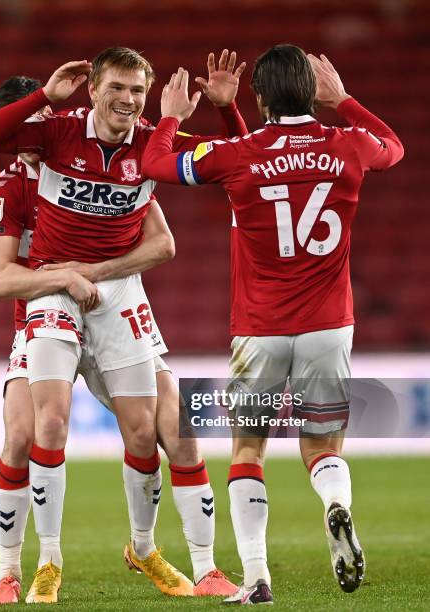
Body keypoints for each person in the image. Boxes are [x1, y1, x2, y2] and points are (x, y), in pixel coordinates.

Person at [0, 50, 247, 602]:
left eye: (137, 91)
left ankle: (157, 552)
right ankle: (30, 566)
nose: (127, 99)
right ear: (92, 89)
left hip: (113, 292)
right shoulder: (38, 151)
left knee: (158, 430)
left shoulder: (149, 145)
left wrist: (225, 109)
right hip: (48, 293)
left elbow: (236, 163)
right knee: (36, 430)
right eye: (117, 87)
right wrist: (46, 99)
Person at [141, 46, 404, 605]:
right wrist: (346, 101)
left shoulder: (239, 154)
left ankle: (257, 578)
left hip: (259, 330)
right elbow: (395, 148)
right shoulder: (348, 143)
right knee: (322, 445)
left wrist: (172, 116)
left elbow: (157, 164)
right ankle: (335, 505)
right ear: (312, 91)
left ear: (259, 97)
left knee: (248, 449)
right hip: (329, 325)